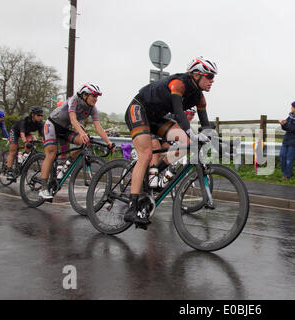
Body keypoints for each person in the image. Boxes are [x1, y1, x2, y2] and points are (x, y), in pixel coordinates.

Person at [124, 56, 216, 228]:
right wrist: (193, 133)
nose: (212, 81)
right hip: (139, 109)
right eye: (209, 76)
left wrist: (212, 138)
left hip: (157, 117)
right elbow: (180, 114)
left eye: (213, 77)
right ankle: (132, 205)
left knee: (188, 143)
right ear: (196, 74)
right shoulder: (178, 84)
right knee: (146, 154)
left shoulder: (200, 98)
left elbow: (206, 126)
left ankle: (156, 171)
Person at [39, 83, 115, 200]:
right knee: (51, 153)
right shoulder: (74, 100)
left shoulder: (92, 109)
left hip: (65, 129)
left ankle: (67, 163)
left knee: (85, 142)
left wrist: (109, 142)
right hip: (52, 125)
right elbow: (73, 119)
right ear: (84, 95)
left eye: (97, 97)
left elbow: (98, 126)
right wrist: (82, 132)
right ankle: (43, 189)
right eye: (93, 96)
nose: (96, 99)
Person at [5, 106, 44, 181]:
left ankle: (23, 157)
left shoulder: (40, 123)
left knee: (33, 142)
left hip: (26, 133)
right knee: (13, 150)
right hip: (16, 132)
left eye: (41, 115)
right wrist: (25, 142)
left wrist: (45, 143)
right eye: (38, 115)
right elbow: (22, 133)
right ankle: (9, 171)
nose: (40, 117)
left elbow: (42, 134)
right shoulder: (25, 120)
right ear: (32, 115)